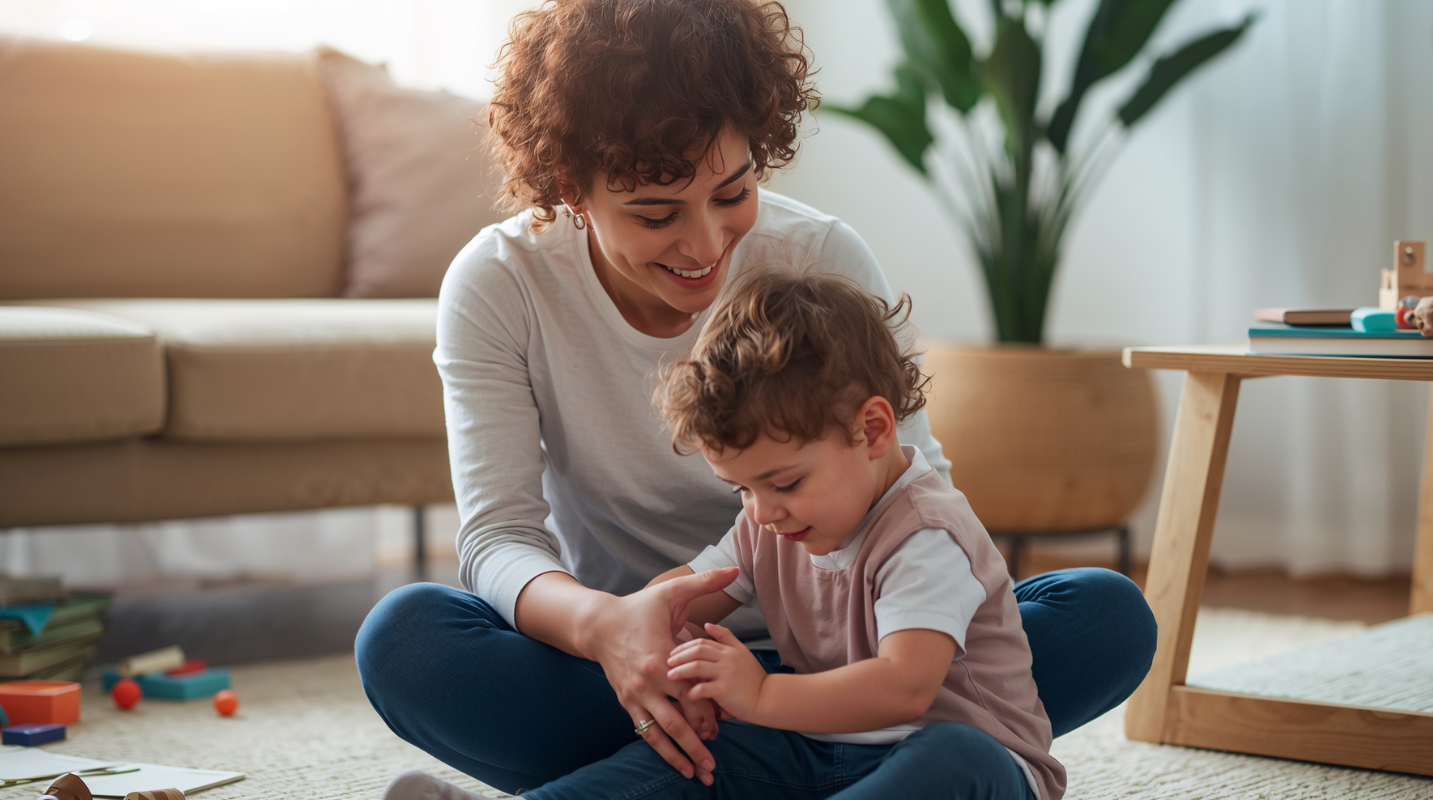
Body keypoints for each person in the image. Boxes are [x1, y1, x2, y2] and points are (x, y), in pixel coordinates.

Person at [355, 0, 1156, 797]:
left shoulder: (817, 258)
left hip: (867, 655)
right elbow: (498, 537)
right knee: (407, 641)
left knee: (1102, 615)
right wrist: (613, 631)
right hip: (639, 667)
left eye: (733, 192)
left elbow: (914, 486)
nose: (705, 247)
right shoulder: (501, 284)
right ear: (572, 188)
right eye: (657, 213)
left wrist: (787, 689)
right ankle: (794, 761)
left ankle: (778, 757)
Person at [512, 271, 1063, 800]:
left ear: (872, 429)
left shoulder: (925, 533)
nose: (762, 512)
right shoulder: (768, 523)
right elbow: (680, 598)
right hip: (820, 746)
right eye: (741, 491)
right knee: (699, 755)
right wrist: (667, 654)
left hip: (967, 764)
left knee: (957, 757)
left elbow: (905, 688)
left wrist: (760, 693)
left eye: (784, 483)